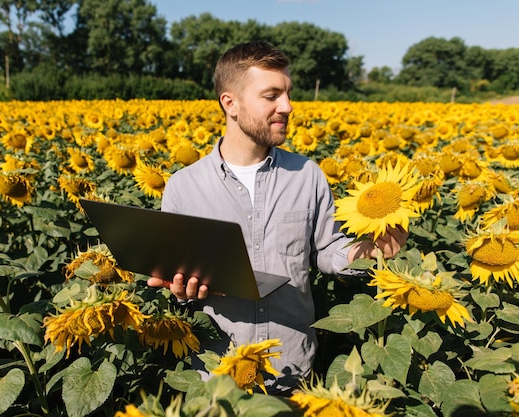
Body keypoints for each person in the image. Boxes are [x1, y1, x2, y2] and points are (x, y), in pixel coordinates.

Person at [146, 40, 407, 395]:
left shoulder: (307, 175)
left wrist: (372, 250)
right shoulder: (183, 187)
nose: (287, 106)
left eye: (288, 94)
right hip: (218, 375)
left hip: (293, 370)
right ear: (231, 103)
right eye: (272, 96)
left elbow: (328, 250)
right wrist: (180, 291)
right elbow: (176, 279)